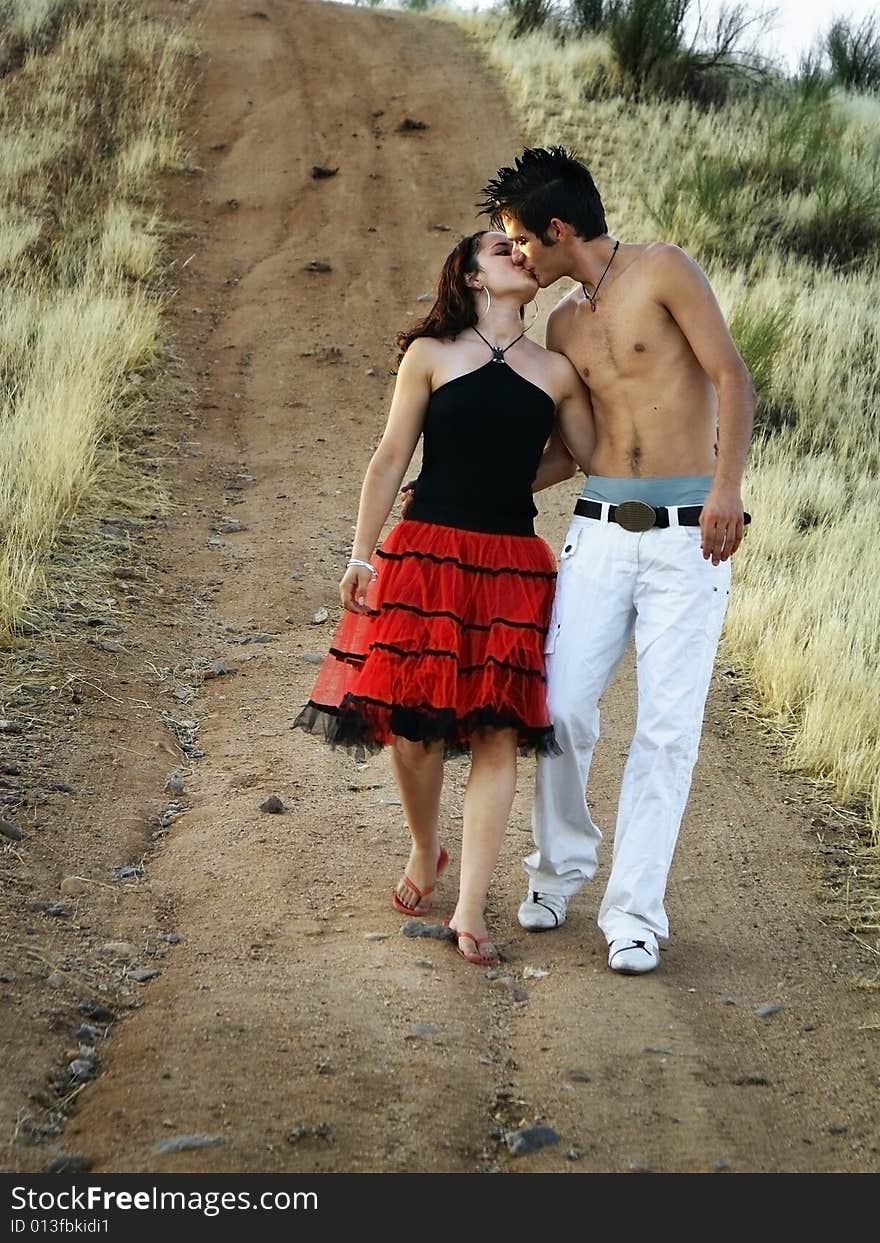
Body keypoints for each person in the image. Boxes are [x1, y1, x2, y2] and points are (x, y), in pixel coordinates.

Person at [478, 146, 755, 974]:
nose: (519, 254)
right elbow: (571, 453)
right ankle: (558, 872)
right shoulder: (563, 324)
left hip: (687, 535)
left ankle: (635, 913)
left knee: (666, 731)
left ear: (559, 229)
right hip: (598, 528)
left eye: (521, 239)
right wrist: (471, 486)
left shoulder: (665, 271)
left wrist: (727, 488)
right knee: (559, 707)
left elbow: (731, 376)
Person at [294, 229, 594, 967]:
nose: (519, 254)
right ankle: (428, 847)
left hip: (510, 566)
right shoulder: (430, 355)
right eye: (501, 248)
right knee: (414, 725)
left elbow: (584, 454)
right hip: (424, 555)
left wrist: (511, 477)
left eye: (520, 247)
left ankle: (468, 909)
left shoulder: (555, 372)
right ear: (470, 273)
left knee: (498, 732)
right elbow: (390, 457)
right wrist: (361, 554)